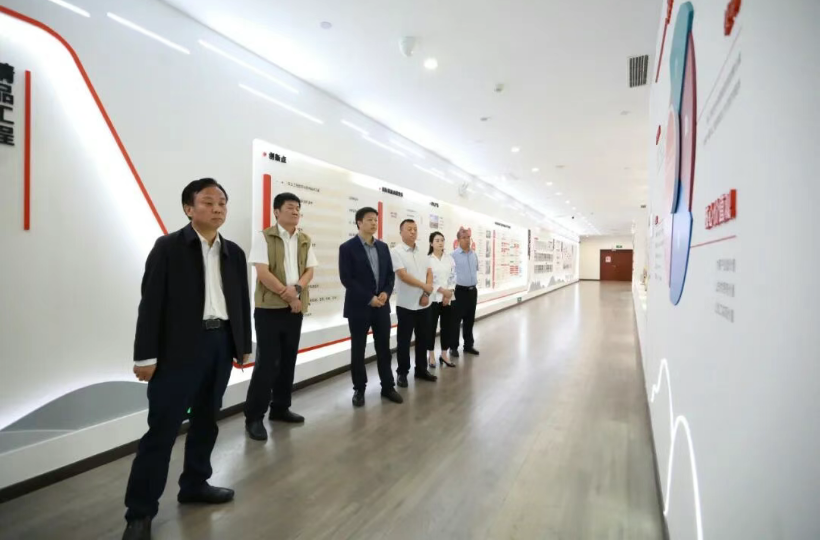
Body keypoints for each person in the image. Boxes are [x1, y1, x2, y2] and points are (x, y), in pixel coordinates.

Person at [122, 179, 251, 540]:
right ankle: (140, 512)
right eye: (208, 202)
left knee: (207, 421)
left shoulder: (233, 252)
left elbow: (240, 300)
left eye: (222, 202)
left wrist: (243, 345)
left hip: (219, 344)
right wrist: (145, 356)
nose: (218, 208)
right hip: (178, 351)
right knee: (162, 431)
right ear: (188, 208)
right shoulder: (168, 247)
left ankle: (195, 484)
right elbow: (150, 305)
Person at [244, 192, 318, 441]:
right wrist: (288, 295)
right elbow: (262, 272)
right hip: (269, 310)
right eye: (290, 207)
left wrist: (297, 290)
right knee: (267, 363)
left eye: (298, 208)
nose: (295, 211)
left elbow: (310, 271)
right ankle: (254, 416)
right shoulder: (264, 237)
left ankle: (280, 408)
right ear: (276, 212)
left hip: (294, 309)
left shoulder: (304, 239)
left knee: (288, 361)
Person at [338, 207, 404, 407]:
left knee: (384, 348)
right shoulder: (347, 248)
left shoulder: (382, 247)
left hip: (381, 306)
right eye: (369, 219)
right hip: (359, 307)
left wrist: (385, 293)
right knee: (358, 349)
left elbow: (390, 275)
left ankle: (388, 386)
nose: (374, 223)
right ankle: (359, 389)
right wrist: (369, 298)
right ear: (359, 222)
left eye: (376, 219)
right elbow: (347, 279)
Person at [391, 219, 438, 387]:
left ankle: (421, 370)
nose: (413, 232)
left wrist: (426, 293)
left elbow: (429, 273)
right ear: (401, 232)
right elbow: (403, 276)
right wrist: (424, 286)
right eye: (409, 229)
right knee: (403, 341)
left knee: (423, 338)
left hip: (424, 304)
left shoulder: (422, 252)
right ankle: (402, 373)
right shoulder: (396, 251)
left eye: (415, 229)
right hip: (406, 305)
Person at [427, 232, 457, 369]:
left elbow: (453, 276)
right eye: (437, 240)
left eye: (442, 240)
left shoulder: (449, 259)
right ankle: (431, 355)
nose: (440, 243)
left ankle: (444, 354)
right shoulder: (428, 260)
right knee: (431, 328)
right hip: (433, 299)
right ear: (431, 243)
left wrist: (449, 292)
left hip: (448, 298)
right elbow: (429, 279)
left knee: (447, 327)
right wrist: (442, 291)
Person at [450, 227, 481, 358]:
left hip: (472, 291)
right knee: (455, 321)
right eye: (464, 237)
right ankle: (453, 347)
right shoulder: (453, 256)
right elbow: (450, 275)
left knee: (470, 319)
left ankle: (468, 345)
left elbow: (476, 270)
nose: (467, 240)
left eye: (468, 237)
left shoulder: (474, 254)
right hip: (459, 292)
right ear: (458, 240)